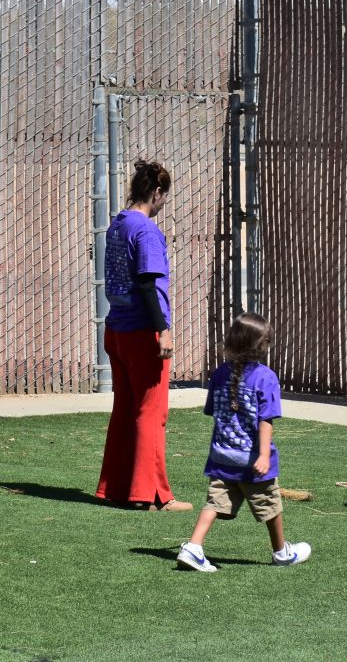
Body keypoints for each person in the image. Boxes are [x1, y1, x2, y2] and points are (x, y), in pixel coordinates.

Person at [176, 313, 311, 572]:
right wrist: (262, 455)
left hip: (221, 456)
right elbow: (266, 420)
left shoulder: (218, 374)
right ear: (262, 347)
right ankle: (282, 552)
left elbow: (212, 411)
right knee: (270, 504)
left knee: (214, 502)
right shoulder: (266, 377)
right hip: (251, 461)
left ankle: (193, 547)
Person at [96, 160, 192, 511]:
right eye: (164, 196)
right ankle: (151, 495)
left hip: (117, 329)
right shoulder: (146, 230)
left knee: (126, 409)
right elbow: (147, 283)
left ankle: (117, 489)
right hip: (142, 332)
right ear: (156, 192)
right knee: (151, 412)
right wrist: (163, 331)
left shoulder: (117, 225)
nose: (164, 203)